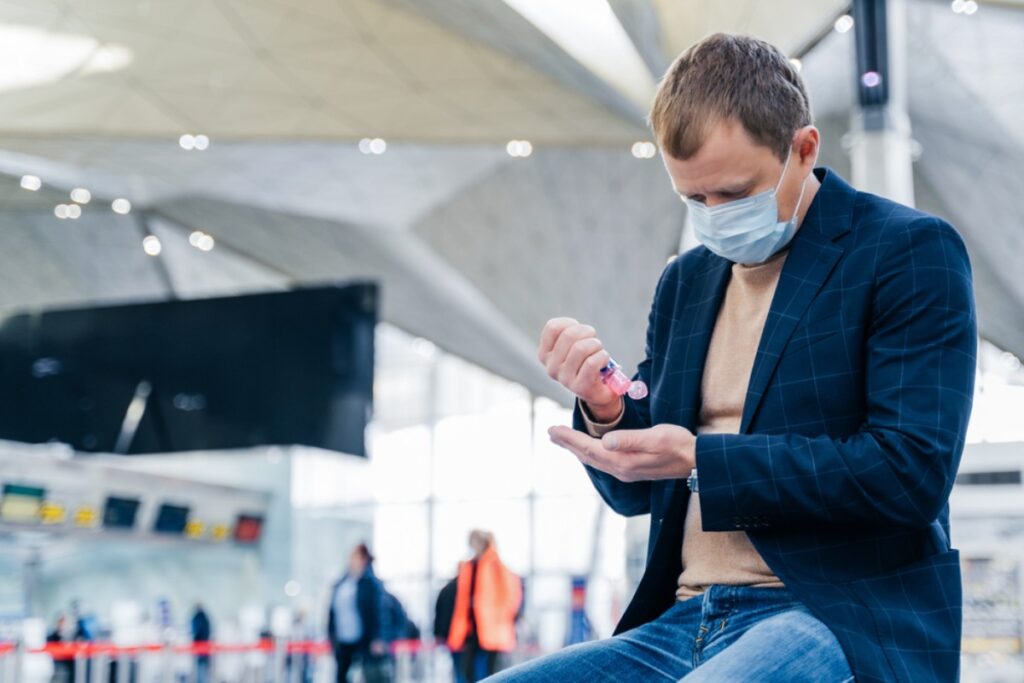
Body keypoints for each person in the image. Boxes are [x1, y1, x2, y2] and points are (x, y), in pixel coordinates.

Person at [512, 32, 976, 682]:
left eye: (734, 194)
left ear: (804, 149)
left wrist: (702, 458)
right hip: (683, 618)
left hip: (836, 611)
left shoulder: (906, 252)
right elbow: (637, 492)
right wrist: (605, 407)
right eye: (693, 199)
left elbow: (909, 473)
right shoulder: (686, 281)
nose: (714, 218)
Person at [448, 531, 523, 682]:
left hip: (492, 627)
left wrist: (500, 617)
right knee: (467, 669)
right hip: (471, 628)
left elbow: (511, 596)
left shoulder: (497, 566)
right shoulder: (469, 567)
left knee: (493, 671)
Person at [327, 543, 387, 683]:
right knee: (342, 676)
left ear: (364, 559)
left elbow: (377, 613)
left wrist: (377, 638)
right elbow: (332, 612)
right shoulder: (341, 583)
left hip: (363, 641)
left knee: (366, 676)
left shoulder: (371, 584)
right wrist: (331, 636)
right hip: (342, 641)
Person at [434, 577, 466, 683]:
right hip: (466, 638)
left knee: (459, 671)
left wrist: (440, 635)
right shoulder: (466, 589)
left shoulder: (446, 590)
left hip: (453, 639)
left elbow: (440, 616)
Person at [190, 604, 212, 683]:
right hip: (205, 648)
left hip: (198, 648)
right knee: (204, 670)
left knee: (199, 670)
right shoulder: (206, 618)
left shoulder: (196, 618)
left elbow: (195, 632)